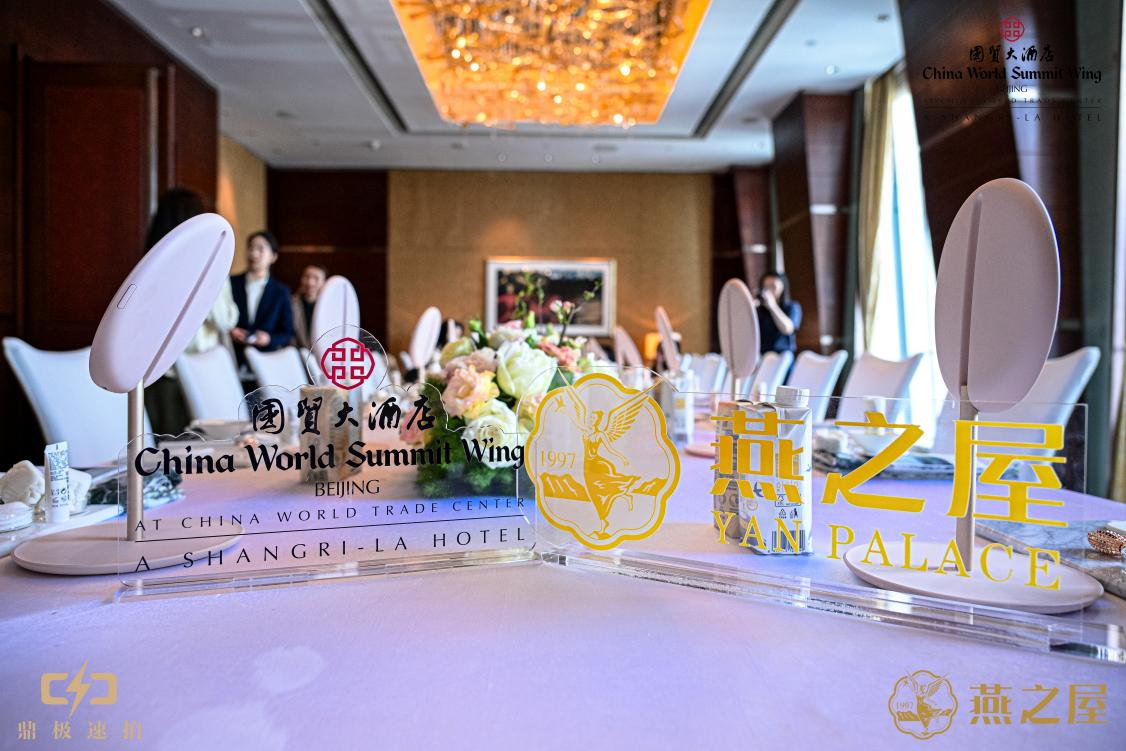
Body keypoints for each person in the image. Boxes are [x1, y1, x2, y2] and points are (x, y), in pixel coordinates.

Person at [230, 231, 294, 367]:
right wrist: (230, 331)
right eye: (251, 248)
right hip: (233, 359)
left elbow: (287, 332)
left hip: (266, 362)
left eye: (260, 249)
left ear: (273, 256)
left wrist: (269, 339)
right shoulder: (231, 283)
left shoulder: (281, 292)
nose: (254, 253)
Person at [755, 270, 801, 355]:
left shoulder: (792, 307)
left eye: (773, 286)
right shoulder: (758, 309)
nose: (769, 290)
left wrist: (772, 306)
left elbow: (788, 329)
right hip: (762, 355)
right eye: (765, 287)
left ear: (782, 288)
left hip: (782, 355)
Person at [291, 264, 327, 349]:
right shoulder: (290, 303)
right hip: (297, 352)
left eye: (316, 278)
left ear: (324, 282)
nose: (310, 282)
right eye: (307, 277)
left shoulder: (329, 306)